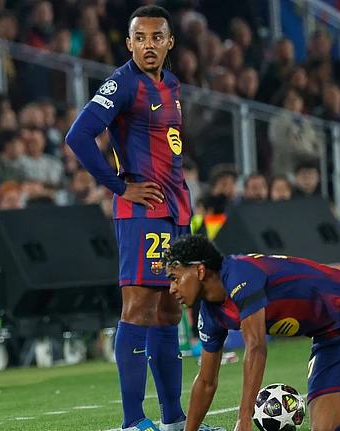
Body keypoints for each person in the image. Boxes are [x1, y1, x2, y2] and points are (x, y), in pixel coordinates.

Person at [65, 6, 216, 431]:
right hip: (142, 212)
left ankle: (173, 420)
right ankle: (133, 422)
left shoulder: (172, 84)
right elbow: (78, 135)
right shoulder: (123, 82)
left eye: (157, 37)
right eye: (141, 37)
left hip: (176, 210)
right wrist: (118, 186)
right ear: (130, 43)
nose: (149, 45)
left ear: (170, 43)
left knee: (170, 310)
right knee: (139, 307)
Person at [163, 234, 340, 431]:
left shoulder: (239, 273)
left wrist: (244, 418)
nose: (172, 288)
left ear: (200, 271)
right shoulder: (210, 315)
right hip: (329, 338)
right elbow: (206, 381)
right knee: (326, 428)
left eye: (175, 278)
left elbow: (256, 346)